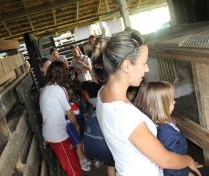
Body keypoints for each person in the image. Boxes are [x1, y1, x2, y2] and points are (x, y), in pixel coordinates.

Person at [96, 31, 201, 176]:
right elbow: (166, 160)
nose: (147, 68)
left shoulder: (103, 93)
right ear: (126, 66)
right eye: (143, 63)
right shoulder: (125, 116)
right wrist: (188, 160)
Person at [134, 81, 209, 176]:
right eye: (172, 100)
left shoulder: (156, 123)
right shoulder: (166, 133)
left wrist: (187, 163)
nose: (175, 101)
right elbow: (170, 166)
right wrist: (187, 173)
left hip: (181, 164)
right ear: (162, 106)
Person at [39, 61, 85, 176]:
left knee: (72, 161)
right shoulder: (59, 90)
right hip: (57, 136)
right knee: (72, 168)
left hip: (51, 132)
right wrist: (77, 126)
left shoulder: (45, 89)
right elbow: (69, 113)